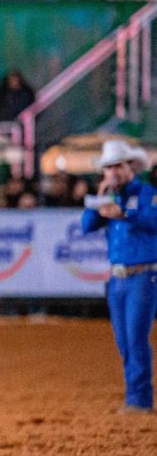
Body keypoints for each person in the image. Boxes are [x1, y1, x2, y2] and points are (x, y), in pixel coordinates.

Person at [81, 140, 157, 414]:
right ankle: (135, 397)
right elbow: (87, 225)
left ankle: (139, 400)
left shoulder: (147, 193)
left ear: (130, 167)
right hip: (118, 279)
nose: (113, 172)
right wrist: (101, 196)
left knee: (135, 338)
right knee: (124, 340)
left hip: (143, 276)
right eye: (109, 167)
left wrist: (124, 214)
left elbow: (154, 220)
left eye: (117, 166)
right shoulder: (110, 198)